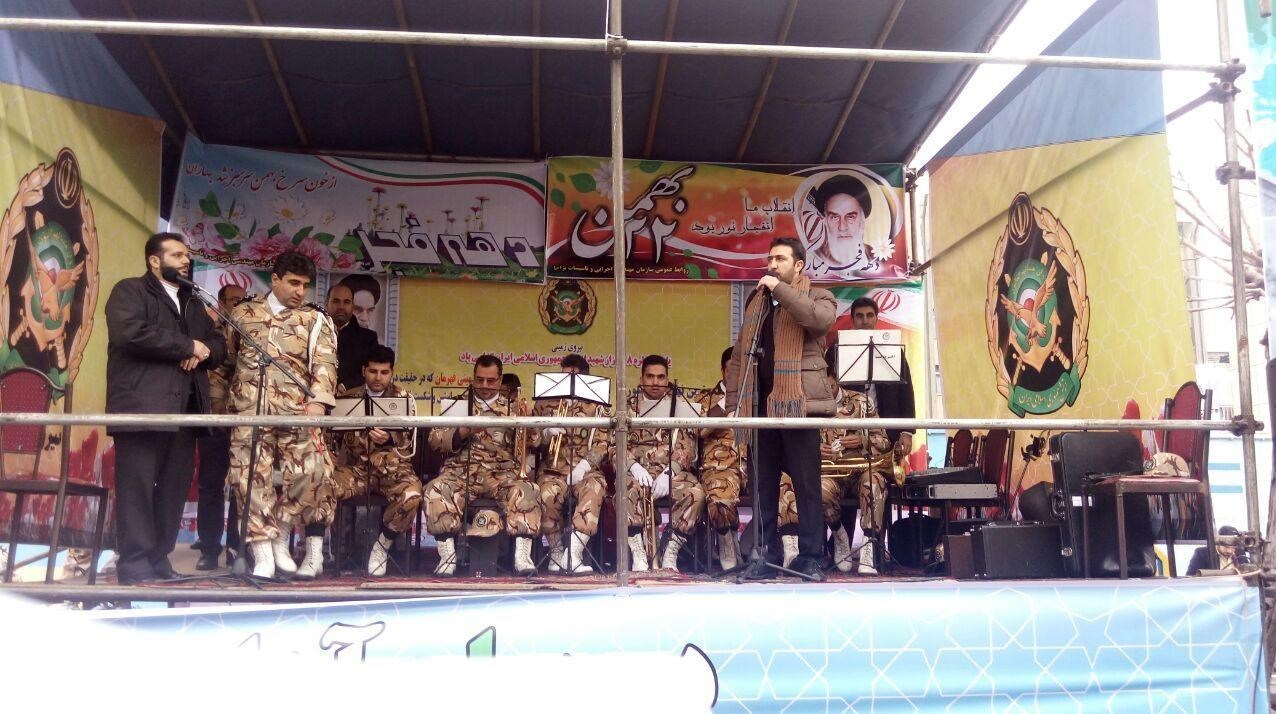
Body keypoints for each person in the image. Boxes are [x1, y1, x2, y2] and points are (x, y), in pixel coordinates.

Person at [105, 232, 226, 584]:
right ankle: (134, 565)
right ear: (154, 261)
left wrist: (202, 350)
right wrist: (187, 346)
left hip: (185, 411)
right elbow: (129, 332)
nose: (185, 260)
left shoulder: (192, 301)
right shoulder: (130, 291)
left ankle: (159, 559)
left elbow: (218, 344)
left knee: (174, 490)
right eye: (176, 255)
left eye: (187, 255)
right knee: (137, 489)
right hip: (141, 408)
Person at [725, 236, 838, 581]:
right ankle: (765, 555)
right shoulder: (757, 302)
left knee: (806, 486)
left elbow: (819, 321)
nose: (772, 265)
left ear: (798, 265)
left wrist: (780, 290)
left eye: (780, 259)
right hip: (760, 407)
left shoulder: (818, 296)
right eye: (770, 259)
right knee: (762, 487)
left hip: (798, 407)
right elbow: (739, 355)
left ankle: (811, 557)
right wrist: (733, 404)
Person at [225, 251, 339, 579]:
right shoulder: (244, 313)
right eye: (293, 283)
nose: (299, 291)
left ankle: (281, 533)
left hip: (297, 412)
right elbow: (228, 359)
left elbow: (325, 363)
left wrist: (318, 404)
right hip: (250, 411)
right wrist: (221, 407)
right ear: (275, 279)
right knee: (249, 479)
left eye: (305, 285)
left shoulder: (315, 319)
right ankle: (262, 552)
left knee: (312, 473)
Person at [423, 354, 540, 576]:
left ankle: (522, 558)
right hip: (461, 472)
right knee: (435, 489)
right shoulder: (459, 404)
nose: (484, 385)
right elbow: (434, 440)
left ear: (500, 379)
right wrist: (461, 432)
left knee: (528, 489)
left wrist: (528, 422)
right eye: (480, 380)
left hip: (501, 474)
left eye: (491, 380)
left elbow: (534, 442)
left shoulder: (514, 406)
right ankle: (447, 557)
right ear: (473, 378)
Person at [776, 360, 890, 574]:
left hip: (860, 471)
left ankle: (869, 547)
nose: (822, 387)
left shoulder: (862, 401)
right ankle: (839, 534)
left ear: (835, 378)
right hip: (828, 473)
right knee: (817, 490)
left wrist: (862, 441)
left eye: (826, 382)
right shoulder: (806, 405)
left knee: (874, 483)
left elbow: (884, 442)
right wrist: (814, 449)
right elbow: (793, 446)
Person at [331, 346, 423, 577]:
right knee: (322, 483)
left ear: (392, 372)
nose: (378, 378)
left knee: (412, 496)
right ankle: (324, 551)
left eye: (384, 372)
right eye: (373, 371)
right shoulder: (347, 399)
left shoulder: (405, 399)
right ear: (364, 370)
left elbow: (412, 443)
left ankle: (382, 545)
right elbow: (332, 437)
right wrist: (329, 458)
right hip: (357, 470)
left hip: (394, 471)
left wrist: (390, 438)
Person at [533, 353, 610, 575]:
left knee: (595, 489)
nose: (569, 382)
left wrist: (583, 467)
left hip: (586, 471)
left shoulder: (598, 406)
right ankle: (556, 552)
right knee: (545, 493)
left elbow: (603, 443)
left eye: (574, 377)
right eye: (565, 376)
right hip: (553, 470)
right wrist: (544, 434)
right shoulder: (545, 403)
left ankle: (573, 554)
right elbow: (529, 439)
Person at [624, 354, 699, 572]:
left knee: (695, 494)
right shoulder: (628, 407)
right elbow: (613, 445)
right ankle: (638, 552)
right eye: (650, 376)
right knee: (626, 490)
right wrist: (632, 466)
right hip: (638, 472)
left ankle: (670, 550)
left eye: (660, 377)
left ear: (667, 378)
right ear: (641, 378)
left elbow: (688, 445)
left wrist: (670, 471)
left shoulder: (680, 405)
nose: (655, 382)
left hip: (671, 472)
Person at [194, 283, 245, 571]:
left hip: (242, 419)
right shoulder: (209, 331)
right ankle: (210, 549)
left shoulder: (251, 333)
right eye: (233, 300)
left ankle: (238, 548)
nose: (238, 304)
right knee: (211, 484)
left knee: (242, 485)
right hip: (214, 418)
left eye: (242, 300)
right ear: (222, 303)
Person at [694, 347, 742, 571]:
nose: (736, 375)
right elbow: (698, 430)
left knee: (786, 487)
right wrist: (726, 403)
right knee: (720, 498)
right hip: (721, 466)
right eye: (732, 369)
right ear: (722, 371)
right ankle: (726, 542)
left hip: (756, 463)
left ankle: (788, 550)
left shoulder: (759, 396)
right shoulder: (706, 398)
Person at [850, 296, 915, 460]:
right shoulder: (837, 350)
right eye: (859, 316)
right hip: (849, 431)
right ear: (852, 320)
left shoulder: (893, 349)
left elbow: (906, 392)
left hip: (887, 430)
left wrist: (907, 431)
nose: (865, 321)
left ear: (876, 319)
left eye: (870, 315)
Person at [807, 175, 873, 277]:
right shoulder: (813, 258)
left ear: (862, 219)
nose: (842, 227)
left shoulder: (875, 256)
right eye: (834, 217)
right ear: (825, 220)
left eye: (850, 217)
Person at [327, 282, 379, 391]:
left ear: (352, 306)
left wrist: (344, 386)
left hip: (351, 397)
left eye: (346, 302)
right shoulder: (313, 333)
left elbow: (370, 372)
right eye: (336, 301)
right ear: (326, 303)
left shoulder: (368, 339)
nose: (341, 307)